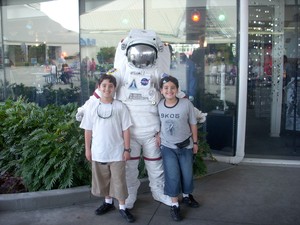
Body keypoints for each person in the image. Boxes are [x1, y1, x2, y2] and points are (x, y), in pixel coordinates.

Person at [79, 74, 135, 223]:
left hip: (117, 152)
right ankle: (108, 203)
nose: (107, 89)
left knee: (119, 181)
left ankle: (122, 207)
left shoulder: (120, 106)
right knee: (103, 180)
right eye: (104, 85)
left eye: (110, 86)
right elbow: (87, 130)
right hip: (99, 152)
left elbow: (126, 130)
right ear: (98, 87)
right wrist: (88, 149)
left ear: (114, 89)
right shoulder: (92, 106)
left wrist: (127, 149)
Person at [157, 75, 200, 221]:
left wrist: (195, 143)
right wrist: (158, 135)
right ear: (161, 91)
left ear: (177, 89)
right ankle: (175, 205)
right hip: (168, 147)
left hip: (185, 145)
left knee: (187, 174)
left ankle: (187, 196)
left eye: (172, 88)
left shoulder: (186, 104)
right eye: (166, 88)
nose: (169, 90)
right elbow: (157, 123)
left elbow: (193, 123)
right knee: (172, 175)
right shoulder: (159, 105)